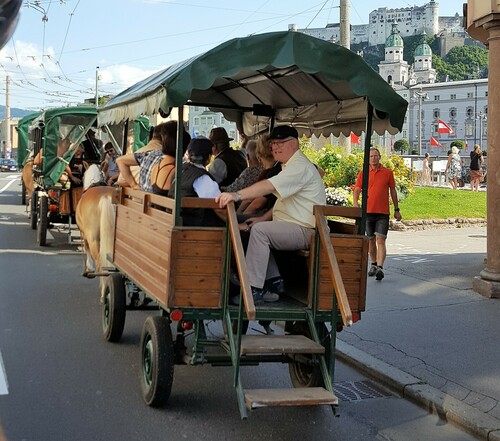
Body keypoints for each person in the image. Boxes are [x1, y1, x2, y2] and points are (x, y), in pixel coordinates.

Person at [216, 125, 326, 304]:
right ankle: (274, 281)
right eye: (273, 143)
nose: (275, 147)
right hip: (291, 225)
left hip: (305, 230)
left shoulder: (299, 167)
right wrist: (260, 218)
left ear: (294, 143)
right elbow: (280, 205)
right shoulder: (288, 166)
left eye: (280, 143)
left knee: (259, 231)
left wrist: (236, 195)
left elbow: (269, 186)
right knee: (247, 223)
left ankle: (253, 288)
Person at [353, 147, 402, 281]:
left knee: (381, 240)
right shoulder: (363, 173)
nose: (373, 158)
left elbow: (393, 191)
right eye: (371, 156)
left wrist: (397, 209)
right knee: (370, 240)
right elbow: (357, 189)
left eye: (376, 156)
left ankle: (380, 267)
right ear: (368, 159)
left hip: (382, 212)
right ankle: (373, 264)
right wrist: (355, 203)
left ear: (380, 157)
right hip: (368, 211)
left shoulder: (387, 173)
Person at [117, 121, 187, 192]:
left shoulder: (147, 155)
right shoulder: (168, 160)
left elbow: (120, 181)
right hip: (154, 201)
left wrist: (134, 185)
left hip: (137, 198)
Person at [168, 136, 223, 226]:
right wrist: (237, 225)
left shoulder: (179, 171)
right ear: (209, 158)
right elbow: (219, 208)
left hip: (178, 221)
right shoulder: (202, 178)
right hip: (197, 227)